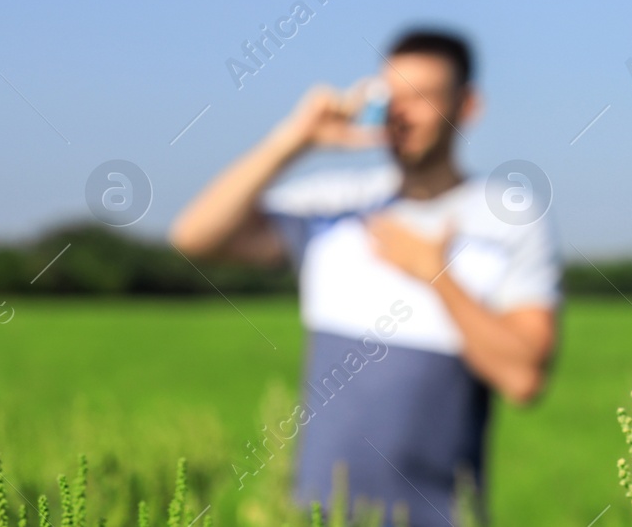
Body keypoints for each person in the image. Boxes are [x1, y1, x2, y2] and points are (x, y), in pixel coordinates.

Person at [170, 29, 559, 526]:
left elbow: (523, 378)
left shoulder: (509, 218)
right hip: (315, 515)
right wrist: (296, 139)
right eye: (391, 95)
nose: (401, 112)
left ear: (467, 105)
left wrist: (435, 275)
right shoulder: (335, 203)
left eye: (422, 97)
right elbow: (195, 236)